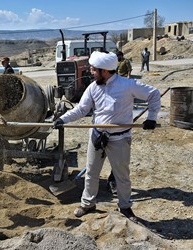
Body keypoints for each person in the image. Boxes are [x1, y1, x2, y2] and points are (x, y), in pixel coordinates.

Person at [53, 51, 160, 221]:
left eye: (94, 69)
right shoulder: (93, 87)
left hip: (120, 139)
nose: (91, 72)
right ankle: (88, 203)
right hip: (97, 136)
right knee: (92, 173)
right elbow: (81, 109)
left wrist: (152, 118)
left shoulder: (127, 85)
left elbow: (154, 94)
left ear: (105, 71)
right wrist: (62, 119)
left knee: (121, 176)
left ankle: (125, 207)